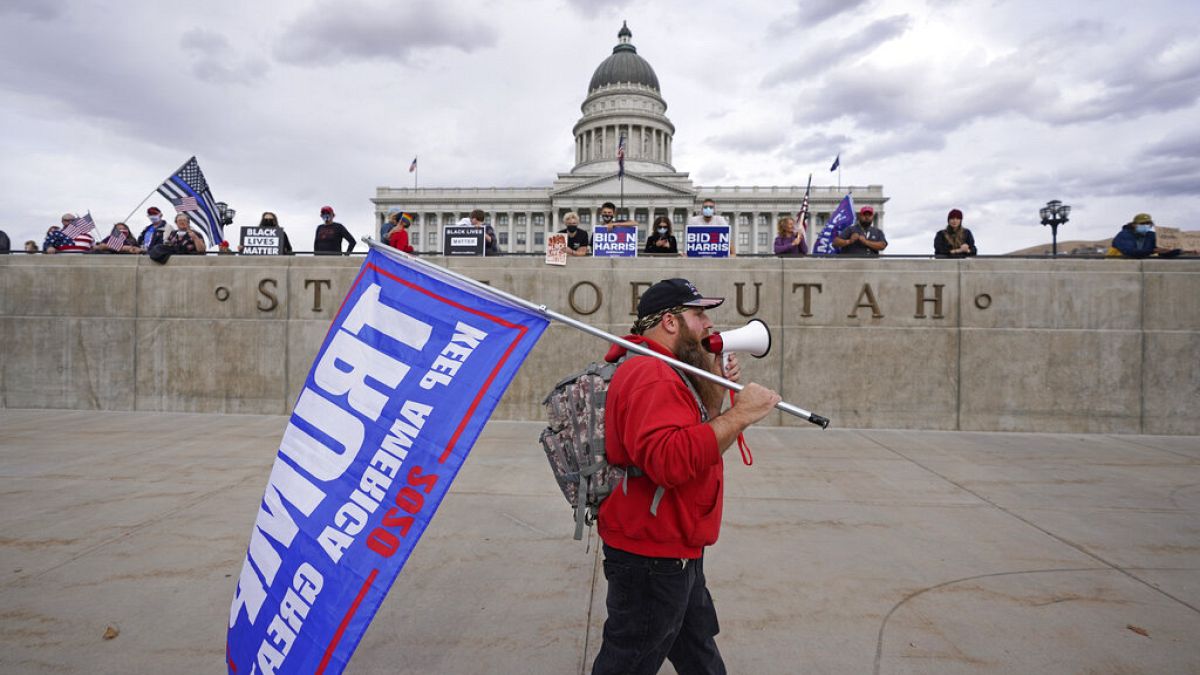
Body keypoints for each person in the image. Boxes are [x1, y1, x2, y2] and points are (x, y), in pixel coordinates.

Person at [592, 278, 782, 675]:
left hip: (675, 546)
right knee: (628, 660)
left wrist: (714, 383)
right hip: (653, 555)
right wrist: (742, 412)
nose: (709, 324)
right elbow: (670, 462)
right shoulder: (652, 376)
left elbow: (703, 442)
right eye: (699, 314)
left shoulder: (669, 372)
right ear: (670, 322)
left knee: (698, 652)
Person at [1109, 213, 1182, 258]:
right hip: (1119, 266)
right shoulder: (1124, 235)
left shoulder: (1151, 235)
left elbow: (1165, 251)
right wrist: (1153, 251)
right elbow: (1130, 251)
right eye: (1142, 224)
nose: (1146, 226)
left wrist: (1174, 250)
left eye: (1148, 223)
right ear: (1134, 224)